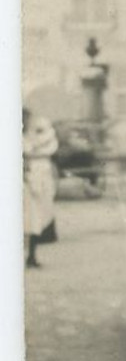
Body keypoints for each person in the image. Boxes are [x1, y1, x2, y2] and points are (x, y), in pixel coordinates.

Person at [22, 108, 58, 269]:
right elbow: (28, 150)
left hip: (35, 180)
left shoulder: (32, 136)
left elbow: (50, 146)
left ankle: (31, 256)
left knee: (35, 218)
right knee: (30, 219)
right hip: (27, 181)